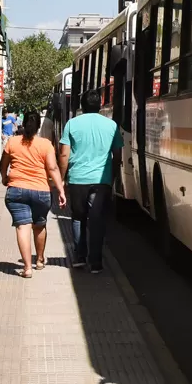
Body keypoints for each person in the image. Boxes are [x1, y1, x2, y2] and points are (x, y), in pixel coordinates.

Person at [60, 90, 123, 272]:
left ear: (82, 105)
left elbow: (64, 154)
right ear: (100, 105)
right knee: (98, 220)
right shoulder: (111, 125)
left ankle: (80, 257)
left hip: (78, 179)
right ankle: (96, 262)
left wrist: (62, 179)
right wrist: (112, 177)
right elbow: (117, 155)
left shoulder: (72, 124)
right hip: (101, 180)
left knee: (79, 218)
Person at [0, 112, 66, 277]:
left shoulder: (12, 142)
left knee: (23, 227)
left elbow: (3, 163)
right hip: (41, 191)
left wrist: (4, 177)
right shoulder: (46, 144)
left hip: (16, 190)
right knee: (39, 226)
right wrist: (61, 190)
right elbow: (52, 168)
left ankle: (27, 268)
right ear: (38, 126)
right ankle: (40, 259)